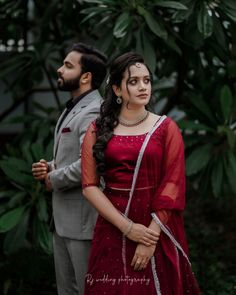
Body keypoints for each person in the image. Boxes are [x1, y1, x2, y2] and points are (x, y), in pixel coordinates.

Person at [81, 52, 201, 294]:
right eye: (133, 81)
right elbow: (89, 185)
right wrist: (127, 228)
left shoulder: (166, 128)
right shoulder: (96, 129)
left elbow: (173, 184)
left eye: (147, 80)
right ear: (116, 89)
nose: (143, 87)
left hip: (156, 225)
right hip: (112, 224)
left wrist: (149, 238)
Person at [32, 42, 107, 295]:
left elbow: (92, 164)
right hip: (64, 221)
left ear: (86, 77)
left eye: (67, 65)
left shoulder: (94, 110)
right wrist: (50, 167)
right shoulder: (75, 107)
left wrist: (53, 178)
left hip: (83, 224)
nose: (59, 70)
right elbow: (74, 158)